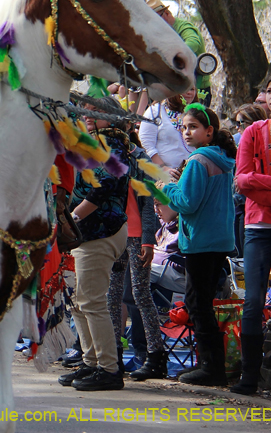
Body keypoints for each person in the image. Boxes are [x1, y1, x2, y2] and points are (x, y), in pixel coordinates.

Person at [158, 103, 236, 387]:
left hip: (201, 241)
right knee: (201, 301)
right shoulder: (220, 158)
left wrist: (167, 189)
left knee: (197, 302)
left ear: (209, 131)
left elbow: (187, 203)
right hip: (220, 239)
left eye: (193, 127)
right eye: (183, 128)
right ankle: (212, 365)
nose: (186, 133)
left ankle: (211, 367)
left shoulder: (198, 160)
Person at [60, 95, 131, 392]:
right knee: (79, 302)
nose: (87, 116)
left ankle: (109, 369)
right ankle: (91, 362)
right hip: (83, 234)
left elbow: (102, 187)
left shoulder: (112, 144)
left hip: (101, 232)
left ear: (113, 116)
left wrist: (71, 220)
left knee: (92, 301)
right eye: (84, 111)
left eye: (96, 111)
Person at [232, 70, 271, 395]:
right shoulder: (253, 132)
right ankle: (249, 377)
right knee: (251, 302)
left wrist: (265, 184)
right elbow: (243, 180)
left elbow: (255, 181)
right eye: (270, 90)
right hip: (259, 226)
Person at [108, 130, 166, 381]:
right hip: (113, 232)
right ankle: (113, 356)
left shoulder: (139, 157)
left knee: (140, 293)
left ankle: (156, 356)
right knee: (112, 295)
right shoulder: (101, 152)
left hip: (136, 235)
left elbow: (148, 203)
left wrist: (147, 241)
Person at [147, 0, 210, 105]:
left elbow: (194, 42)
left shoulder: (184, 27)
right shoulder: (161, 34)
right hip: (174, 89)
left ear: (166, 13)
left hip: (197, 89)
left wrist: (173, 55)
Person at [140, 87, 196, 171]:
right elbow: (146, 145)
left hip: (192, 171)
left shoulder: (198, 113)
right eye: (185, 89)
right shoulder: (155, 111)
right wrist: (163, 168)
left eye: (192, 89)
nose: (189, 93)